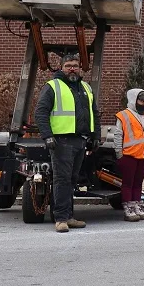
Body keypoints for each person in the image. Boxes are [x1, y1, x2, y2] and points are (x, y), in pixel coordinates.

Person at [34, 52, 100, 233]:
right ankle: (61, 218)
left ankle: (69, 216)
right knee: (62, 180)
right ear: (61, 68)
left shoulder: (85, 88)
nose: (72, 69)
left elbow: (94, 114)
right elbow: (40, 113)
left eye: (75, 66)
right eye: (68, 65)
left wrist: (95, 136)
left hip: (80, 140)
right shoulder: (53, 86)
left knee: (72, 180)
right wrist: (47, 136)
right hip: (61, 141)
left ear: (80, 69)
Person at [112, 89, 144, 221]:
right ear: (133, 101)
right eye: (141, 101)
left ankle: (136, 205)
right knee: (128, 183)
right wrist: (119, 153)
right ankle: (128, 208)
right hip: (129, 155)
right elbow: (118, 135)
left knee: (138, 183)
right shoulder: (124, 115)